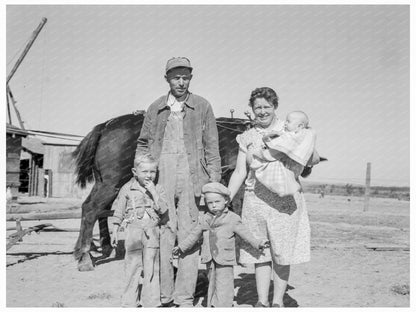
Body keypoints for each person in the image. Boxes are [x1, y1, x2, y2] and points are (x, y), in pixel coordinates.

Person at [135, 57, 221, 307]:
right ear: (167, 79)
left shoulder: (202, 106)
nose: (181, 82)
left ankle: (184, 297)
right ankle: (165, 295)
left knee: (190, 236)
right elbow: (143, 143)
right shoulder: (156, 108)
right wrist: (142, 176)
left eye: (185, 77)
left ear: (191, 79)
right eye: (176, 77)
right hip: (162, 177)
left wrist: (213, 183)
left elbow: (212, 147)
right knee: (163, 234)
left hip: (193, 178)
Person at [227, 87, 314, 308]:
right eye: (258, 107)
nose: (262, 111)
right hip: (254, 199)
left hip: (284, 202)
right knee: (261, 253)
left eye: (267, 106)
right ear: (252, 109)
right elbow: (239, 172)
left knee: (282, 254)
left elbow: (311, 158)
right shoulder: (246, 136)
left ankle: (277, 302)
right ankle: (262, 301)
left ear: (275, 107)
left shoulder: (290, 130)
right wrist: (227, 197)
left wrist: (307, 139)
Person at [172, 182, 270, 307]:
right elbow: (193, 235)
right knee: (212, 282)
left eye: (217, 202)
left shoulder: (232, 219)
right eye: (210, 203)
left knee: (225, 283)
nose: (213, 206)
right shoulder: (205, 218)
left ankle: (224, 306)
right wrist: (181, 247)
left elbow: (246, 234)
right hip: (209, 258)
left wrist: (258, 243)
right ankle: (213, 304)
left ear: (226, 200)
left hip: (225, 257)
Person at [111, 153, 169, 307]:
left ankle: (151, 302)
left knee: (151, 267)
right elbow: (119, 211)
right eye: (145, 172)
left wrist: (154, 192)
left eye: (153, 172)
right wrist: (115, 231)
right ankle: (129, 302)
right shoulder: (127, 188)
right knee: (132, 267)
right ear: (134, 172)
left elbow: (163, 209)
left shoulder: (159, 189)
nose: (149, 175)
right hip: (133, 232)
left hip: (151, 232)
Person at [248, 111, 317, 196]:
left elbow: (279, 149)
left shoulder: (295, 137)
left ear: (300, 126)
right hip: (293, 167)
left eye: (288, 121)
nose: (285, 123)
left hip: (290, 165)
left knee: (269, 167)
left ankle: (286, 188)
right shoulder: (300, 136)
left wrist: (265, 148)